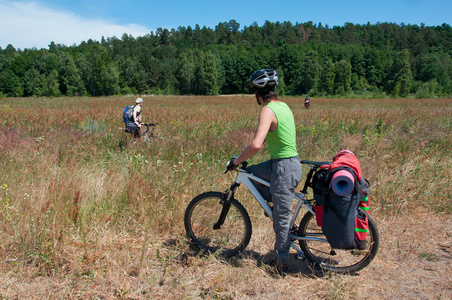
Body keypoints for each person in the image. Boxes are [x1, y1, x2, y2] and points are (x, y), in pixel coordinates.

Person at [226, 69, 303, 274]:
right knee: (251, 173)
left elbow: (256, 144)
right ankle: (275, 204)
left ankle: (281, 265)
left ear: (258, 93)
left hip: (283, 167)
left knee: (281, 221)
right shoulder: (283, 106)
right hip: (281, 164)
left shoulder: (267, 110)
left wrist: (236, 161)